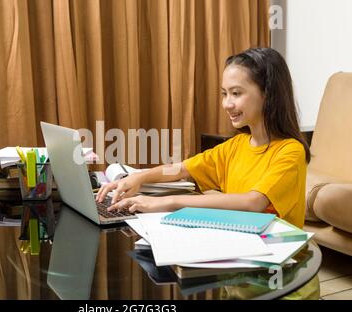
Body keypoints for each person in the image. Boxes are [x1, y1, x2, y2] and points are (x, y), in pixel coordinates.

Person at [96, 47, 310, 229]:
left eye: (236, 93)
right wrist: (138, 178)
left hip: (278, 257)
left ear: (268, 94)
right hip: (240, 242)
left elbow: (253, 202)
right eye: (224, 94)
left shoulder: (290, 151)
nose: (227, 104)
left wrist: (168, 202)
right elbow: (181, 169)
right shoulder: (236, 145)